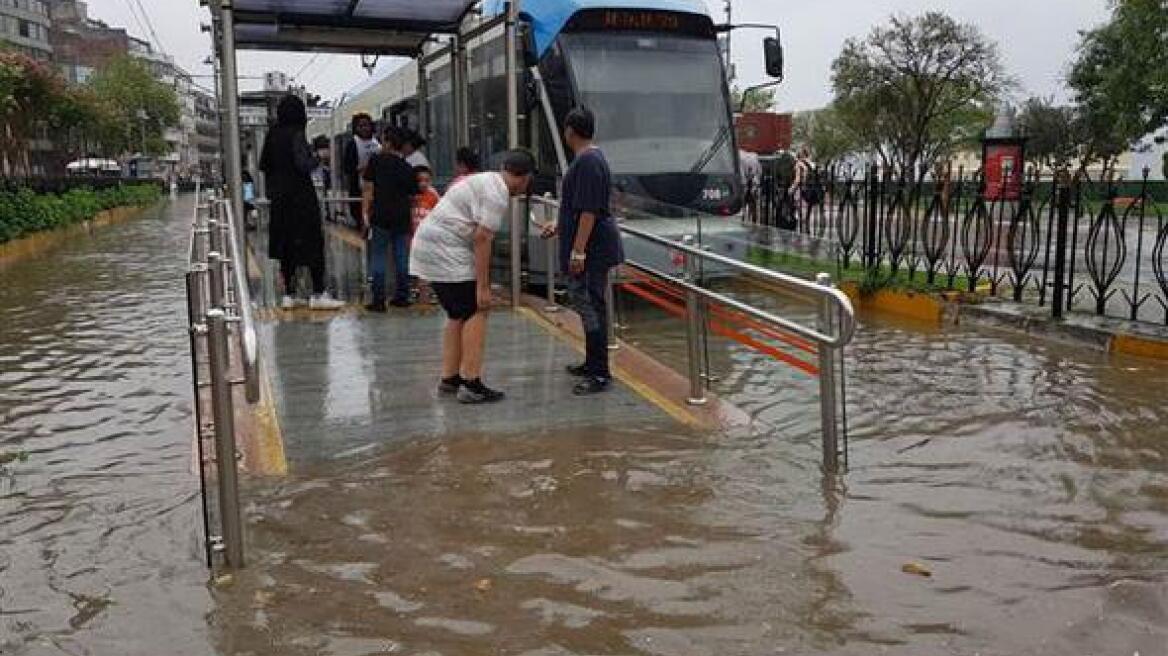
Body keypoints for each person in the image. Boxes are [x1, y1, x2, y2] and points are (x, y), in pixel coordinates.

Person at [409, 149, 535, 404]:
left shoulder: (488, 180)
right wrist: (483, 287)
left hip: (429, 246)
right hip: (446, 250)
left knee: (457, 313)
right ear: (524, 178)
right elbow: (482, 238)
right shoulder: (497, 194)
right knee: (476, 310)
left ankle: (450, 377)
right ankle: (471, 382)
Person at [541, 107, 623, 395]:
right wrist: (559, 224)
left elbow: (589, 211)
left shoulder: (587, 162)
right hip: (593, 244)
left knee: (591, 308)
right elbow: (579, 209)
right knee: (590, 306)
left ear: (569, 132)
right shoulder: (591, 159)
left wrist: (578, 252)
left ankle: (599, 373)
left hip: (593, 249)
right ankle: (591, 363)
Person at [260, 94, 344, 310]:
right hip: (301, 200)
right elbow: (304, 165)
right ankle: (318, 293)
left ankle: (289, 294)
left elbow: (265, 166)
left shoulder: (272, 135)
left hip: (280, 201)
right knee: (313, 245)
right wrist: (318, 156)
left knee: (286, 248)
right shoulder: (296, 134)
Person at [362, 127, 418, 311]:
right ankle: (402, 296)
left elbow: (368, 189)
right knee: (401, 256)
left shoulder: (376, 162)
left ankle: (378, 300)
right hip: (401, 215)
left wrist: (365, 213)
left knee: (378, 255)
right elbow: (413, 194)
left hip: (380, 214)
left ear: (387, 142)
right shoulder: (407, 167)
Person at [411, 165, 442, 303]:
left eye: (426, 180)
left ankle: (426, 291)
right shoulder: (410, 194)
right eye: (419, 180)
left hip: (429, 237)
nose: (423, 183)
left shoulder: (433, 195)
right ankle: (418, 289)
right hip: (412, 236)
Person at [342, 113, 379, 227]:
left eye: (366, 125)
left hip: (377, 187)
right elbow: (346, 168)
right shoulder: (352, 144)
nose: (364, 128)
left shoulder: (378, 143)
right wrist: (358, 168)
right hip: (358, 187)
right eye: (360, 126)